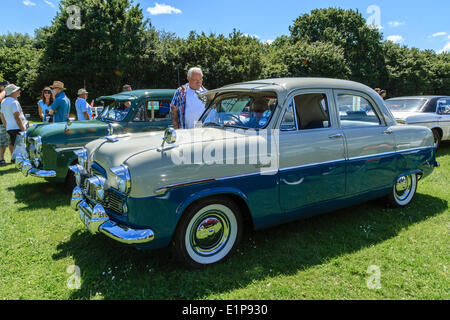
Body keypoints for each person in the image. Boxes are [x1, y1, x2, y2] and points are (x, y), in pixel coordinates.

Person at [0, 84, 28, 162]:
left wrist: (6, 125)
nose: (19, 91)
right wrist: (23, 129)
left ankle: (15, 159)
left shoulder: (3, 102)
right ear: (12, 92)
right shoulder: (14, 102)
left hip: (10, 128)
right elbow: (17, 117)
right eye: (17, 90)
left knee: (14, 145)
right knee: (21, 146)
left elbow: (2, 115)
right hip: (17, 127)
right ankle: (21, 161)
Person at [0, 81, 11, 166]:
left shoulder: (11, 96)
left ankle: (13, 158)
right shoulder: (2, 94)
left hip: (11, 122)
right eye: (5, 86)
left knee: (11, 140)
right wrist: (4, 91)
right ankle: (1, 159)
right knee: (3, 141)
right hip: (2, 122)